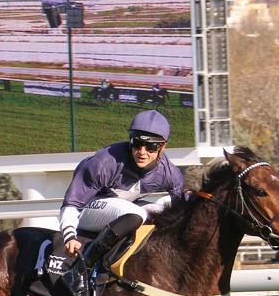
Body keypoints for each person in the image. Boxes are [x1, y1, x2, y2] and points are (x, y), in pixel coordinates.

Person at [58, 110, 184, 275]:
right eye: (137, 143)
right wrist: (69, 236)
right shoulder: (104, 162)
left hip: (123, 209)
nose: (142, 152)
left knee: (162, 211)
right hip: (86, 210)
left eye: (151, 146)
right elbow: (71, 204)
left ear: (163, 146)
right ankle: (82, 270)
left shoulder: (171, 174)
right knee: (135, 213)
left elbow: (181, 213)